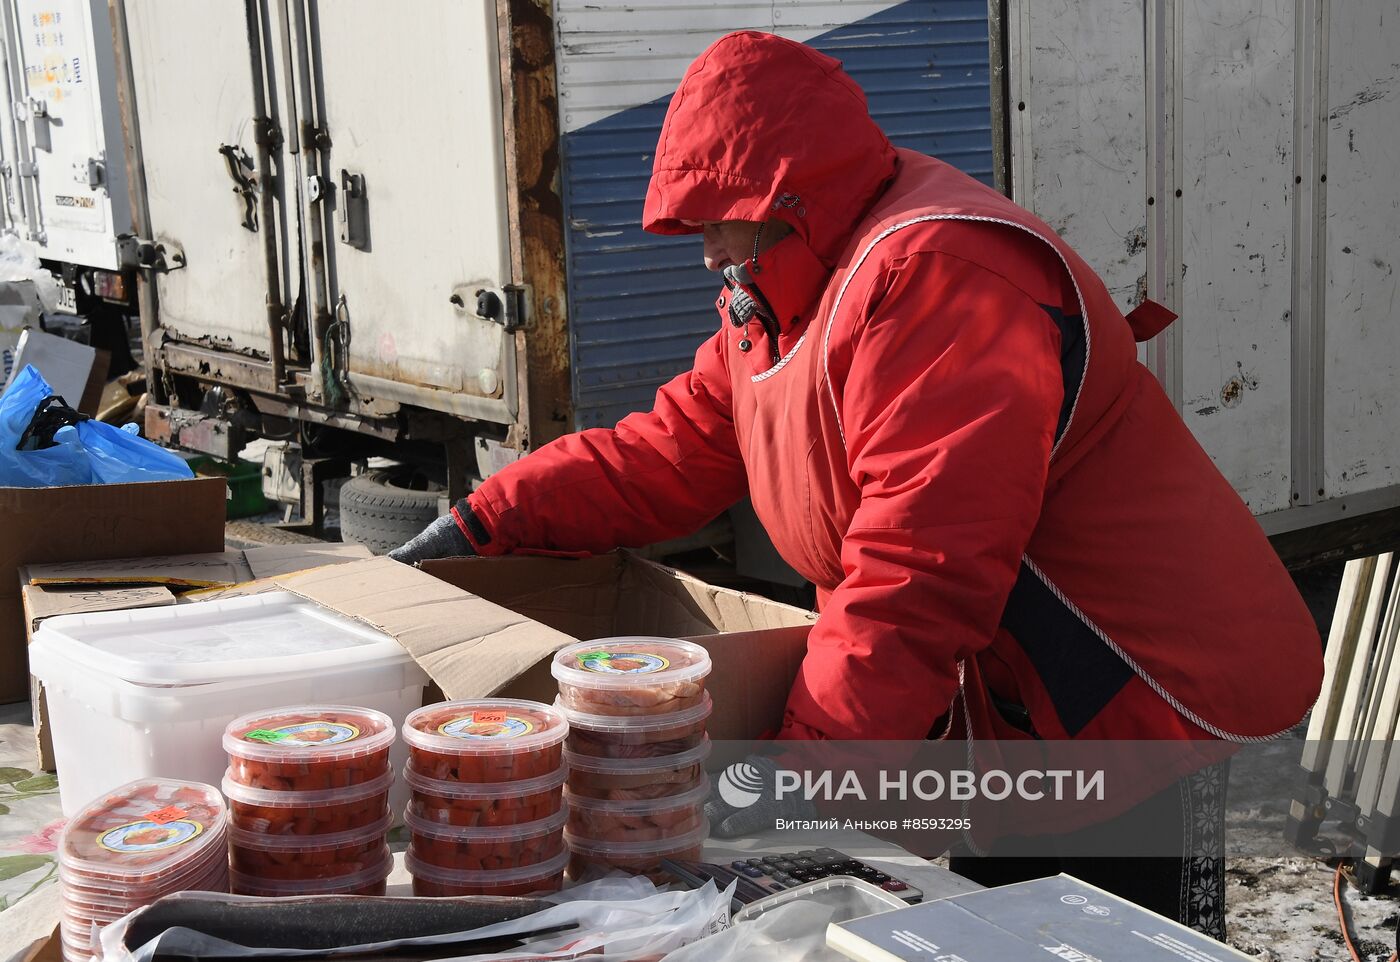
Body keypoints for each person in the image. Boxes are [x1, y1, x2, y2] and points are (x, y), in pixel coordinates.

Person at [392, 31, 1322, 935]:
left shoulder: (941, 279)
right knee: (997, 919)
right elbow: (668, 450)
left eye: (721, 221)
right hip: (1009, 699)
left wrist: (803, 777)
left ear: (789, 197)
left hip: (1125, 683)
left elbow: (918, 571)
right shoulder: (785, 295)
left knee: (1096, 932)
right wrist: (480, 526)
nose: (709, 252)